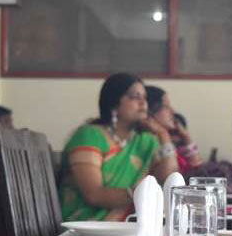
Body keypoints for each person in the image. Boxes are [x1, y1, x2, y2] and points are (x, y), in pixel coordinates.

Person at [58, 73, 178, 221]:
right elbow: (93, 195)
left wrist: (163, 135)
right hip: (85, 223)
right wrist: (140, 194)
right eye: (135, 97)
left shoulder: (145, 141)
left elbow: (168, 179)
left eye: (144, 97)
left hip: (128, 225)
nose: (143, 103)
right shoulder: (90, 136)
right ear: (114, 102)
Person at [146, 85, 202, 172]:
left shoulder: (164, 142)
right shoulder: (146, 143)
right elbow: (170, 176)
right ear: (149, 110)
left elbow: (197, 169)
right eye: (166, 106)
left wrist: (186, 138)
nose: (173, 111)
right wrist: (162, 133)